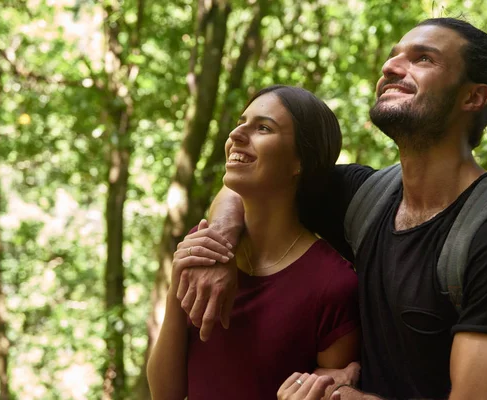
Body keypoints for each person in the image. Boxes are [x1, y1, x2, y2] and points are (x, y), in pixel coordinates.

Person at [173, 18, 487, 399]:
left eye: (423, 58)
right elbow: (252, 182)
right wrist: (219, 244)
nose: (391, 66)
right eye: (394, 55)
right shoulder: (364, 197)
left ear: (473, 96)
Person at [146, 85, 361, 400]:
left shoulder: (333, 284)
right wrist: (176, 290)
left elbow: (332, 387)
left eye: (263, 128)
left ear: (299, 162)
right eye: (240, 122)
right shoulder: (203, 243)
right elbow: (166, 394)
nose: (236, 134)